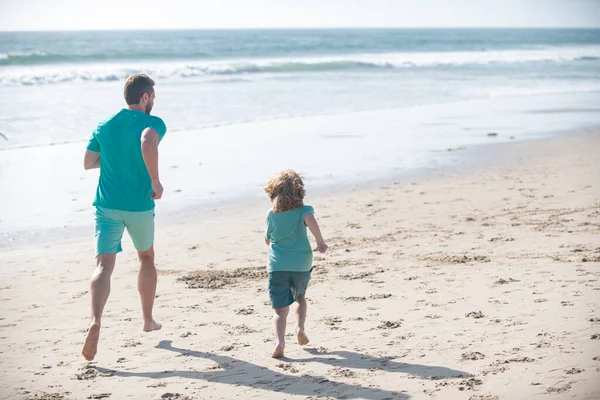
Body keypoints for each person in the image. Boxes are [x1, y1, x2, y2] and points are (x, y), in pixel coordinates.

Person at [81, 74, 167, 361]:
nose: (153, 101)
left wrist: (116, 156)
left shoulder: (104, 125)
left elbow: (88, 162)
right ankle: (147, 319)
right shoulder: (153, 123)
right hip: (138, 205)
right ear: (144, 97)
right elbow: (147, 142)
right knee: (146, 257)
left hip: (106, 205)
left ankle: (95, 320)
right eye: (152, 96)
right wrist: (155, 180)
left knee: (103, 265)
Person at [263, 169, 328, 358]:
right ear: (300, 191)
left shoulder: (271, 215)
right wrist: (320, 242)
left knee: (279, 310)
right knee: (300, 297)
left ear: (274, 193)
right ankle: (300, 329)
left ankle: (279, 343)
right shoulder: (305, 211)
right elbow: (311, 221)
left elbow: (268, 240)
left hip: (277, 267)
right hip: (301, 263)